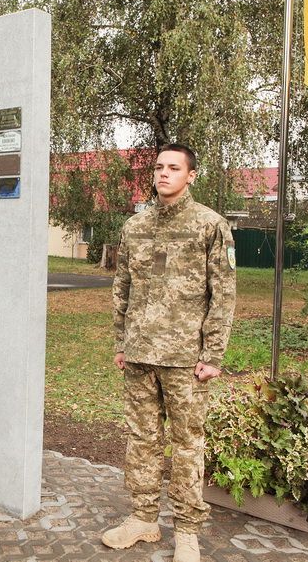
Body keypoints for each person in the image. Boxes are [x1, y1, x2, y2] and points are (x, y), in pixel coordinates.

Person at [102, 144, 236, 562]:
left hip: (186, 359)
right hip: (140, 354)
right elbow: (122, 286)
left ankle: (187, 532)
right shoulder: (135, 226)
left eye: (173, 168)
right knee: (141, 440)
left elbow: (224, 294)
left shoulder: (210, 226)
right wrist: (122, 342)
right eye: (159, 167)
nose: (163, 174)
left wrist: (212, 354)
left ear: (191, 175)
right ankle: (143, 518)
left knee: (186, 445)